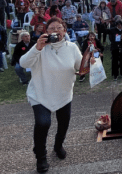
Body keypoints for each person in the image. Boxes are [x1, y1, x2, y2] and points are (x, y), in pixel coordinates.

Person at [19, 17, 83, 173]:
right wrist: (38, 47)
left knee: (64, 123)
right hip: (41, 93)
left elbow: (81, 66)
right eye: (51, 28)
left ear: (65, 31)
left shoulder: (72, 47)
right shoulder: (39, 48)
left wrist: (90, 63)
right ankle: (41, 157)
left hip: (63, 93)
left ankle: (58, 145)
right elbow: (23, 63)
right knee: (43, 123)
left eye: (59, 28)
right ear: (45, 32)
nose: (55, 31)